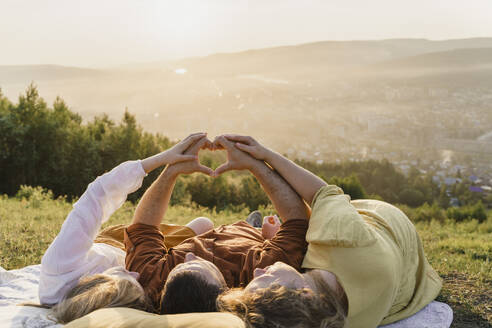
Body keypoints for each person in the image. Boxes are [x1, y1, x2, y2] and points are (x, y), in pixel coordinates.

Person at [215, 135, 443, 328]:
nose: (257, 273)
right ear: (304, 293)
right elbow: (322, 193)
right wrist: (263, 155)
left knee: (304, 230)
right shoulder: (342, 237)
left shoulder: (329, 320)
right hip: (385, 221)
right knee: (310, 222)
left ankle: (262, 231)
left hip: (401, 276)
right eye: (267, 279)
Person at [124, 134, 317, 317]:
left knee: (203, 224)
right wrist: (255, 165)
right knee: (263, 228)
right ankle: (256, 228)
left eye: (180, 266)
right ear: (224, 290)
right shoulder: (261, 276)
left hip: (221, 233)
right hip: (251, 236)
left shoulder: (154, 282)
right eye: (198, 263)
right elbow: (297, 220)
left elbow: (143, 226)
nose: (189, 256)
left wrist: (172, 170)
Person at [38, 132, 215, 323]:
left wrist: (164, 158)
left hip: (115, 241)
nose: (136, 275)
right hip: (143, 258)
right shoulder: (130, 296)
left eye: (125, 276)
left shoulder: (60, 266)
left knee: (203, 224)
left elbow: (98, 194)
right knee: (204, 225)